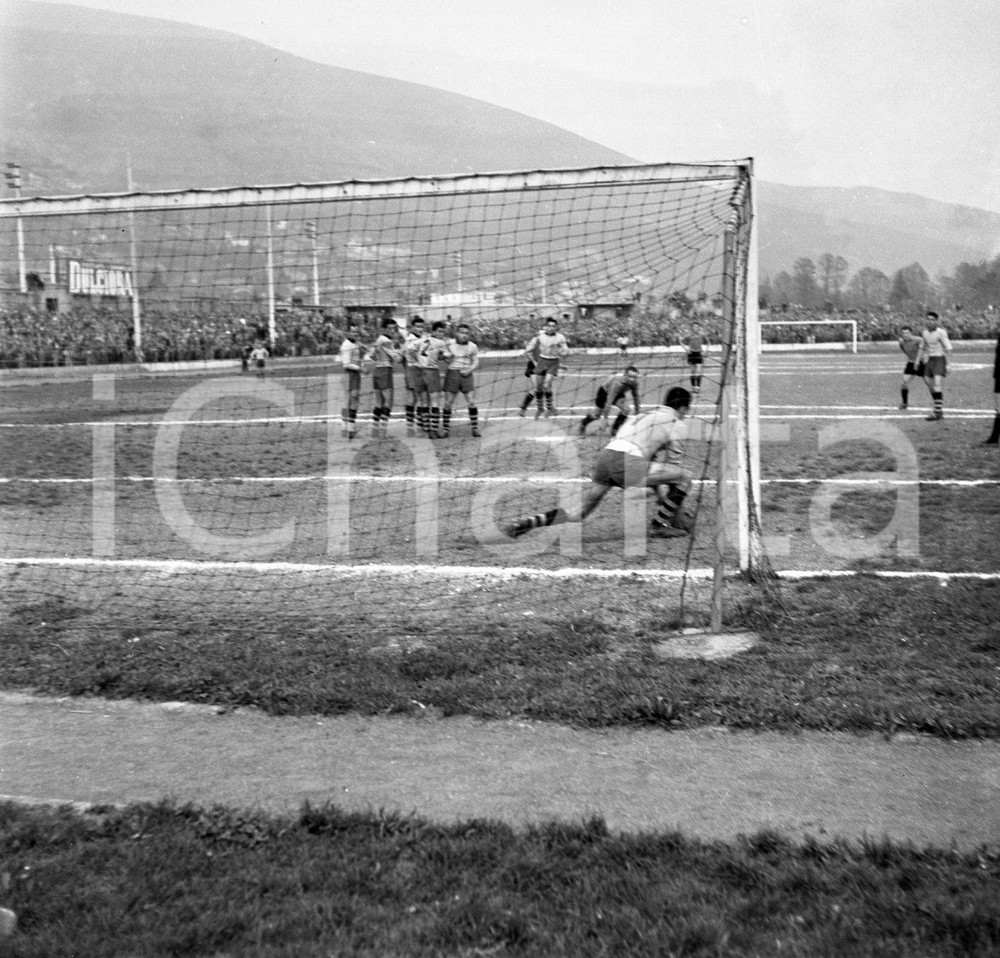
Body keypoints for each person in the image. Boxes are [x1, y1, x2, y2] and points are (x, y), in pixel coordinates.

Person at [506, 386, 695, 540]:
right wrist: (675, 510)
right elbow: (675, 473)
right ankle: (659, 525)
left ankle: (527, 523)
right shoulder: (675, 423)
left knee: (579, 512)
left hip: (606, 458)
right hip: (626, 462)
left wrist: (664, 501)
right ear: (683, 408)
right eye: (687, 411)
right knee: (685, 477)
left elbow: (653, 472)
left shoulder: (645, 415)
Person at [519, 317, 570, 418]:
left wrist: (560, 365)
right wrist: (534, 362)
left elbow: (553, 355)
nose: (550, 329)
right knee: (537, 388)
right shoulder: (538, 338)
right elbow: (528, 352)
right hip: (534, 365)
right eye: (548, 327)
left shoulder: (556, 340)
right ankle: (524, 408)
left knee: (547, 386)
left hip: (546, 364)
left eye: (553, 326)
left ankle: (549, 408)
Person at [441, 322, 481, 437]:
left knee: (472, 401)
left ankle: (475, 428)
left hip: (467, 374)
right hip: (452, 374)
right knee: (448, 403)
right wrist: (446, 358)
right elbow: (442, 356)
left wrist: (469, 370)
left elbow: (476, 361)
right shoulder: (449, 343)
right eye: (462, 333)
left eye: (467, 333)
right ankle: (445, 429)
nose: (464, 335)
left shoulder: (472, 346)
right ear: (457, 333)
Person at [579, 365, 641, 437]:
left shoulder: (635, 384)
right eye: (630, 376)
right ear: (625, 375)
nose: (632, 379)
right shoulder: (618, 383)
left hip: (619, 393)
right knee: (596, 415)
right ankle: (583, 423)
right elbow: (609, 402)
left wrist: (637, 413)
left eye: (634, 377)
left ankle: (614, 430)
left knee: (626, 410)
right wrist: (605, 419)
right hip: (605, 392)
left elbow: (636, 397)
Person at [414, 319, 450, 437]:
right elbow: (447, 357)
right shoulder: (441, 343)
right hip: (432, 372)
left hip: (419, 372)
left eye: (443, 332)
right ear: (434, 331)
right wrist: (451, 355)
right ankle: (434, 430)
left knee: (423, 401)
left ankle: (426, 428)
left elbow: (410, 351)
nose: (441, 334)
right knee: (435, 401)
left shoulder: (421, 339)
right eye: (439, 331)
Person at [918, 311, 953, 421]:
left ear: (937, 321)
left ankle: (937, 412)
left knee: (937, 385)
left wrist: (949, 364)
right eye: (928, 319)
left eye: (933, 320)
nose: (930, 322)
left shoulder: (941, 332)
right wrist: (917, 360)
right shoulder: (924, 333)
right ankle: (939, 409)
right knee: (930, 385)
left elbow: (948, 348)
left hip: (939, 359)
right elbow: (922, 347)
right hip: (930, 360)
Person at [369, 317, 401, 438]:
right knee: (388, 402)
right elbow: (397, 359)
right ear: (384, 329)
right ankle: (383, 432)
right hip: (385, 371)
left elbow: (371, 355)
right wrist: (404, 351)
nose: (392, 331)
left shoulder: (379, 339)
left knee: (379, 402)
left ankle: (375, 430)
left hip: (377, 370)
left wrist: (380, 358)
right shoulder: (387, 341)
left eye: (394, 329)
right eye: (390, 329)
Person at [339, 322, 365, 438]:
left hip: (356, 375)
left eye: (356, 332)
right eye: (353, 331)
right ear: (347, 332)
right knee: (347, 400)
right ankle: (344, 425)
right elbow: (346, 364)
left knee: (355, 398)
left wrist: (361, 362)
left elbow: (359, 357)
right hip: (348, 374)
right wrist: (360, 368)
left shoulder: (357, 343)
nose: (355, 334)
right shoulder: (346, 345)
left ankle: (351, 426)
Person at [401, 316, 426, 436]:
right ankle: (418, 427)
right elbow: (411, 353)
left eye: (421, 326)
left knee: (414, 398)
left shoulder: (419, 338)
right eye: (417, 326)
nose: (420, 329)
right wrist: (419, 363)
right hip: (414, 370)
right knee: (420, 398)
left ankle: (411, 427)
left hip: (411, 370)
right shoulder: (411, 339)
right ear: (412, 327)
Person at [897, 324, 925, 410]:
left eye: (907, 333)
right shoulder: (901, 342)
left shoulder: (919, 340)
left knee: (930, 384)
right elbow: (904, 349)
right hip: (911, 363)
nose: (905, 335)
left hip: (922, 363)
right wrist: (911, 359)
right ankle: (904, 403)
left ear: (911, 333)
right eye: (903, 333)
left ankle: (937, 403)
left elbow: (925, 349)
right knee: (904, 383)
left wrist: (920, 359)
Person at [984, 330, 1000, 445]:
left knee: (999, 408)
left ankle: (994, 438)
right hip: (998, 376)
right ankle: (994, 437)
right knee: (998, 407)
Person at [684, 323, 706, 393]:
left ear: (699, 328)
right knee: (692, 371)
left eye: (697, 327)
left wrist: (705, 351)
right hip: (691, 355)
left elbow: (709, 342)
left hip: (699, 354)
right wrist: (686, 349)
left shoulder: (702, 335)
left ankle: (698, 387)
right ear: (692, 328)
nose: (696, 328)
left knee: (699, 371)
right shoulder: (689, 336)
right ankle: (693, 387)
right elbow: (681, 341)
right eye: (694, 327)